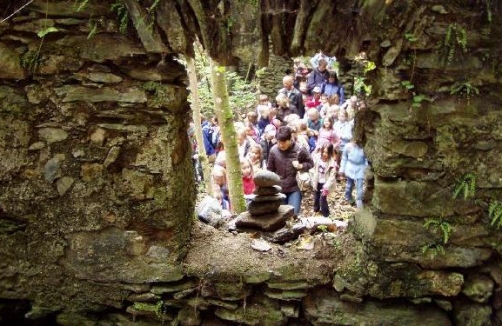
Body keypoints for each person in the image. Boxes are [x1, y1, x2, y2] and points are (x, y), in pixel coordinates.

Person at [267, 126, 313, 215]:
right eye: (279, 142)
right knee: (281, 216)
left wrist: (301, 166)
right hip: (279, 188)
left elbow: (311, 163)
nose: (281, 145)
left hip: (294, 187)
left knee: (293, 215)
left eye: (284, 142)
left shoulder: (299, 149)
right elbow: (270, 170)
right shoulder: (273, 151)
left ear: (290, 139)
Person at [311, 141, 338, 217]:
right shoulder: (317, 157)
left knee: (322, 199)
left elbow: (332, 177)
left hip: (325, 183)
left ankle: (326, 214)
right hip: (317, 181)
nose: (324, 154)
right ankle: (316, 210)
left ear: (330, 153)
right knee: (316, 197)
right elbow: (312, 158)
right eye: (323, 152)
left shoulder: (332, 163)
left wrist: (326, 187)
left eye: (326, 153)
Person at [339, 139, 368, 208]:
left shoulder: (363, 148)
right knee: (349, 185)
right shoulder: (348, 147)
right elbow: (344, 158)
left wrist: (366, 169)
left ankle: (359, 200)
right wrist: (342, 169)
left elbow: (366, 159)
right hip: (350, 167)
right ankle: (348, 196)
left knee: (359, 186)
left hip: (360, 168)